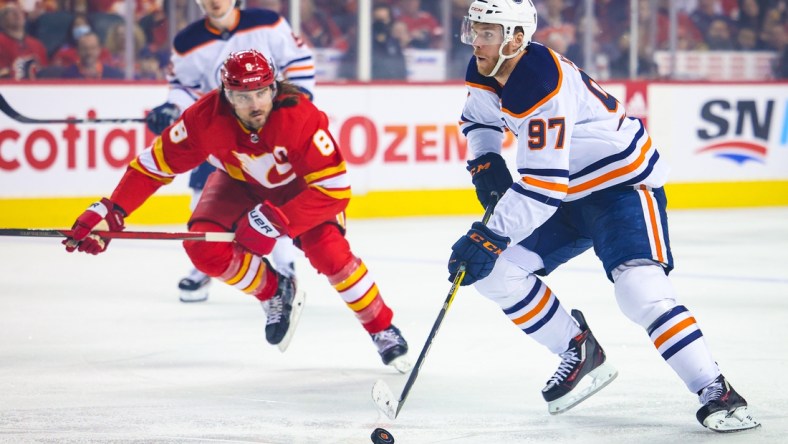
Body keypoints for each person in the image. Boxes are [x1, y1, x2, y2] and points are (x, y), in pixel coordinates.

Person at [448, 0, 760, 432]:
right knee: (496, 274)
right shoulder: (486, 69)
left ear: (517, 38)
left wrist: (489, 234)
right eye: (474, 30)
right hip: (566, 192)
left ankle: (716, 388)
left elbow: (541, 188)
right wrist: (485, 162)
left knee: (639, 290)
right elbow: (478, 120)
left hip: (620, 188)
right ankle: (578, 350)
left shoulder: (540, 82)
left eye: (487, 33)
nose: (475, 42)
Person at [63, 49, 411, 372]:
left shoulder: (300, 118)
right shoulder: (204, 119)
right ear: (226, 95)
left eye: (261, 92)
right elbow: (153, 165)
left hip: (302, 194)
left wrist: (276, 220)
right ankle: (275, 291)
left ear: (274, 87)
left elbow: (334, 191)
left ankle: (381, 328)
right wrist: (112, 210)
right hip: (240, 184)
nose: (254, 104)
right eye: (243, 97)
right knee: (202, 248)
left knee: (330, 255)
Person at [144, 0, 316, 303]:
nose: (213, 2)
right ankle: (204, 267)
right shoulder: (187, 41)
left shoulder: (268, 23)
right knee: (203, 194)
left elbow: (299, 62)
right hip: (220, 129)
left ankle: (285, 267)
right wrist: (174, 107)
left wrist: (292, 106)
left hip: (268, 124)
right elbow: (183, 87)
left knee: (275, 195)